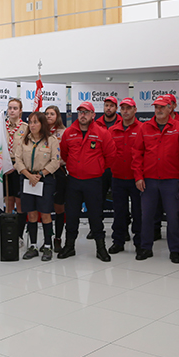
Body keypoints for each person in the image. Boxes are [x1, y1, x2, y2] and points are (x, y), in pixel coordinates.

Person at [131, 95, 179, 264]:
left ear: (170, 108)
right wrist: (138, 176)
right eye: (156, 107)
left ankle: (174, 250)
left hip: (170, 180)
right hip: (149, 180)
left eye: (162, 107)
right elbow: (137, 154)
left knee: (173, 217)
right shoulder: (145, 128)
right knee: (147, 216)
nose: (158, 110)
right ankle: (146, 248)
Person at [59, 101, 116, 261]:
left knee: (96, 216)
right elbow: (64, 154)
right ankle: (69, 246)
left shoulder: (102, 133)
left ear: (93, 115)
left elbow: (110, 156)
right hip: (74, 181)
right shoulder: (69, 132)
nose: (83, 115)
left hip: (94, 181)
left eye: (86, 112)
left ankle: (100, 248)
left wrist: (96, 167)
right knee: (71, 215)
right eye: (80, 112)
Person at [14, 111, 61, 260]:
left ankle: (47, 246)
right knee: (31, 213)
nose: (32, 125)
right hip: (27, 179)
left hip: (45, 180)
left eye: (36, 122)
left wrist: (40, 174)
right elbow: (18, 160)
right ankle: (33, 245)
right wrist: (29, 175)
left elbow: (55, 161)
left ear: (42, 124)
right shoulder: (24, 140)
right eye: (30, 122)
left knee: (45, 213)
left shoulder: (51, 140)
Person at [109, 97, 141, 254]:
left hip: (137, 179)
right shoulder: (112, 130)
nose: (125, 111)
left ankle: (140, 243)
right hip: (118, 177)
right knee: (119, 212)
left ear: (135, 110)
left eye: (129, 108)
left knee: (138, 213)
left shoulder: (143, 128)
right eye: (123, 108)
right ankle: (118, 241)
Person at [88, 96, 121, 240]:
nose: (109, 108)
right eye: (106, 105)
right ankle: (95, 229)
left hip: (116, 167)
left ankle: (121, 230)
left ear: (116, 108)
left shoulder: (122, 122)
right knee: (97, 200)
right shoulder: (96, 123)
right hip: (100, 168)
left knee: (119, 201)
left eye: (111, 106)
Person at [4, 98, 28, 244]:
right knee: (9, 202)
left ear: (20, 111)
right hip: (6, 169)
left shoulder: (25, 128)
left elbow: (27, 149)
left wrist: (17, 165)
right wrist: (4, 165)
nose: (12, 111)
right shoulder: (2, 127)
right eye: (10, 108)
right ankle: (9, 234)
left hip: (19, 168)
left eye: (15, 108)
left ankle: (19, 236)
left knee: (20, 204)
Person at [45, 105, 67, 251]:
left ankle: (58, 238)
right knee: (44, 208)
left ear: (57, 116)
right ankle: (46, 240)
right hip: (44, 173)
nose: (48, 116)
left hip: (59, 171)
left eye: (52, 114)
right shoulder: (41, 132)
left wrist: (58, 163)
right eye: (46, 114)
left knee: (59, 207)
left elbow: (67, 152)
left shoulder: (64, 132)